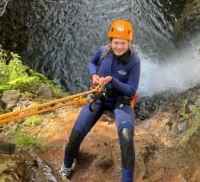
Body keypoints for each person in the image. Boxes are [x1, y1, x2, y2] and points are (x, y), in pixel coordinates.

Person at [59, 19, 141, 182]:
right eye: (116, 43)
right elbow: (92, 63)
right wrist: (93, 75)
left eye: (123, 43)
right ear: (110, 42)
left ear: (129, 43)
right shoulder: (103, 51)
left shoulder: (134, 61)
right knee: (76, 134)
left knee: (126, 138)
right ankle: (66, 166)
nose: (119, 47)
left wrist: (113, 81)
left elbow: (131, 90)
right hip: (101, 97)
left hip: (121, 101)